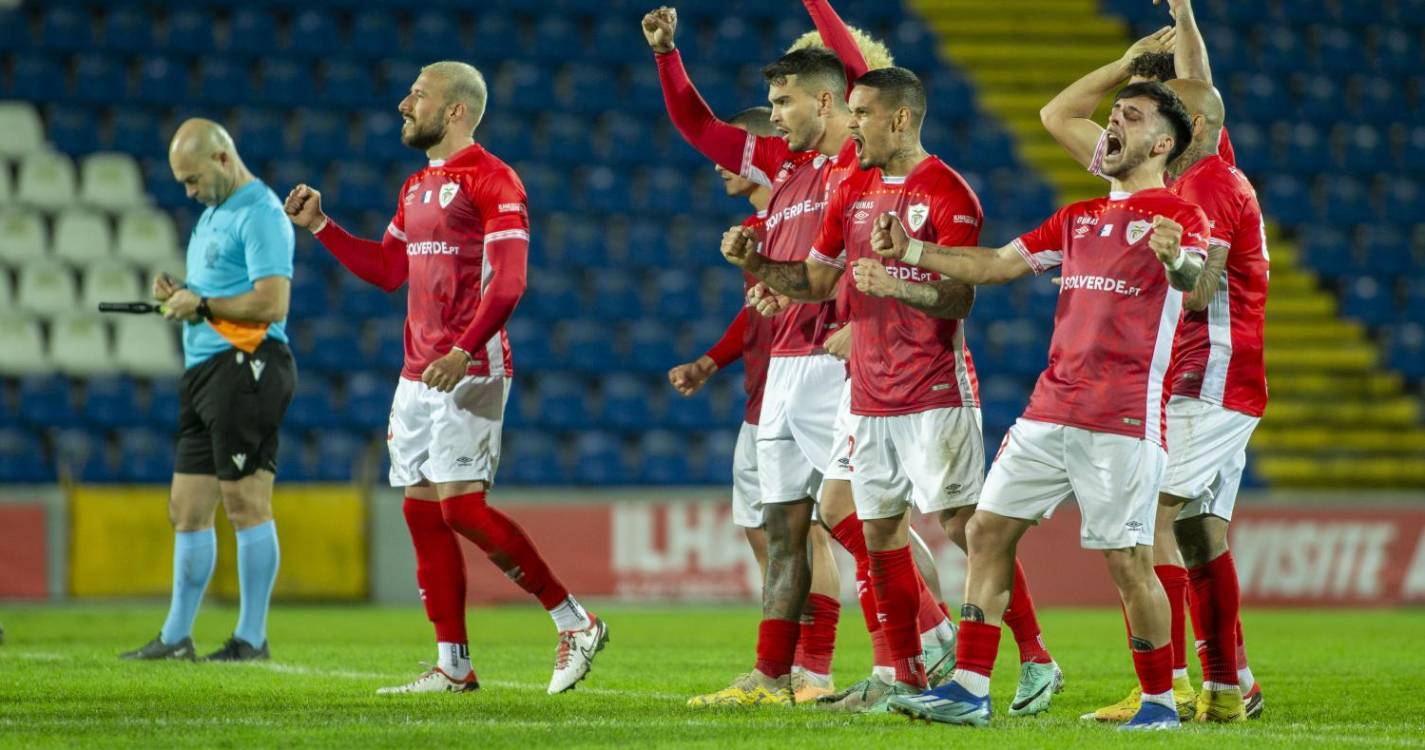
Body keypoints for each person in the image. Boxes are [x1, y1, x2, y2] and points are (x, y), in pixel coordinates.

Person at [723, 65, 1061, 715]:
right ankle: (902, 674)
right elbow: (818, 281)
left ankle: (1037, 657)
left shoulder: (947, 192)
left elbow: (959, 297)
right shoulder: (851, 187)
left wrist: (897, 282)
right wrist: (758, 264)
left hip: (933, 389)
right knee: (872, 528)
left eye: (862, 114)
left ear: (899, 119)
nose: (851, 125)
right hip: (866, 393)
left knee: (965, 527)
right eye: (849, 112)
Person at [873, 81, 1209, 731]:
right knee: (986, 531)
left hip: (1122, 419)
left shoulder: (1179, 217)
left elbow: (1193, 280)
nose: (1113, 123)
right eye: (1113, 115)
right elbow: (997, 264)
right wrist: (912, 251)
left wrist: (1176, 261)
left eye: (1131, 117)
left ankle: (1160, 703)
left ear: (1161, 144)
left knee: (1128, 562)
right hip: (1049, 409)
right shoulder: (1077, 218)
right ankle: (970, 687)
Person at [283, 61, 607, 695]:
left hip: (471, 367)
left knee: (462, 509)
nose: (404, 105)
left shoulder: (494, 180)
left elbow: (510, 282)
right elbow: (386, 270)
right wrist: (322, 226)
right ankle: (453, 665)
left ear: (455, 110)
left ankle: (576, 621)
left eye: (418, 95)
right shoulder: (415, 186)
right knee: (422, 513)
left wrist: (463, 349)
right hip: (417, 373)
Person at [1039, 0, 1263, 721]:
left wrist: (1152, 262)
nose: (1133, 122)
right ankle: (1228, 687)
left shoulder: (1207, 188)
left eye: (1154, 113)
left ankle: (1161, 685)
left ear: (1183, 130)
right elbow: (1198, 85)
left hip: (1206, 376)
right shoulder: (1195, 163)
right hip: (1215, 377)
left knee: (1147, 519)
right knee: (1199, 531)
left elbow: (1196, 292)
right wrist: (1184, 15)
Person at [667, 106, 845, 703]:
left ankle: (816, 669)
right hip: (763, 397)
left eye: (734, 153)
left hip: (815, 383)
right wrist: (710, 362)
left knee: (820, 528)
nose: (721, 165)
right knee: (766, 531)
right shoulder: (756, 227)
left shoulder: (818, 206)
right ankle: (779, 669)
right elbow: (756, 312)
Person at [121, 119, 295, 663]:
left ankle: (252, 638)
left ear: (222, 158)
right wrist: (185, 295)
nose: (189, 192)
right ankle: (177, 637)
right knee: (187, 508)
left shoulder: (261, 213)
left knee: (246, 503)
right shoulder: (213, 216)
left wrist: (200, 304)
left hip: (248, 365)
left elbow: (272, 303)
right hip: (204, 372)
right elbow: (217, 296)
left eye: (193, 180)